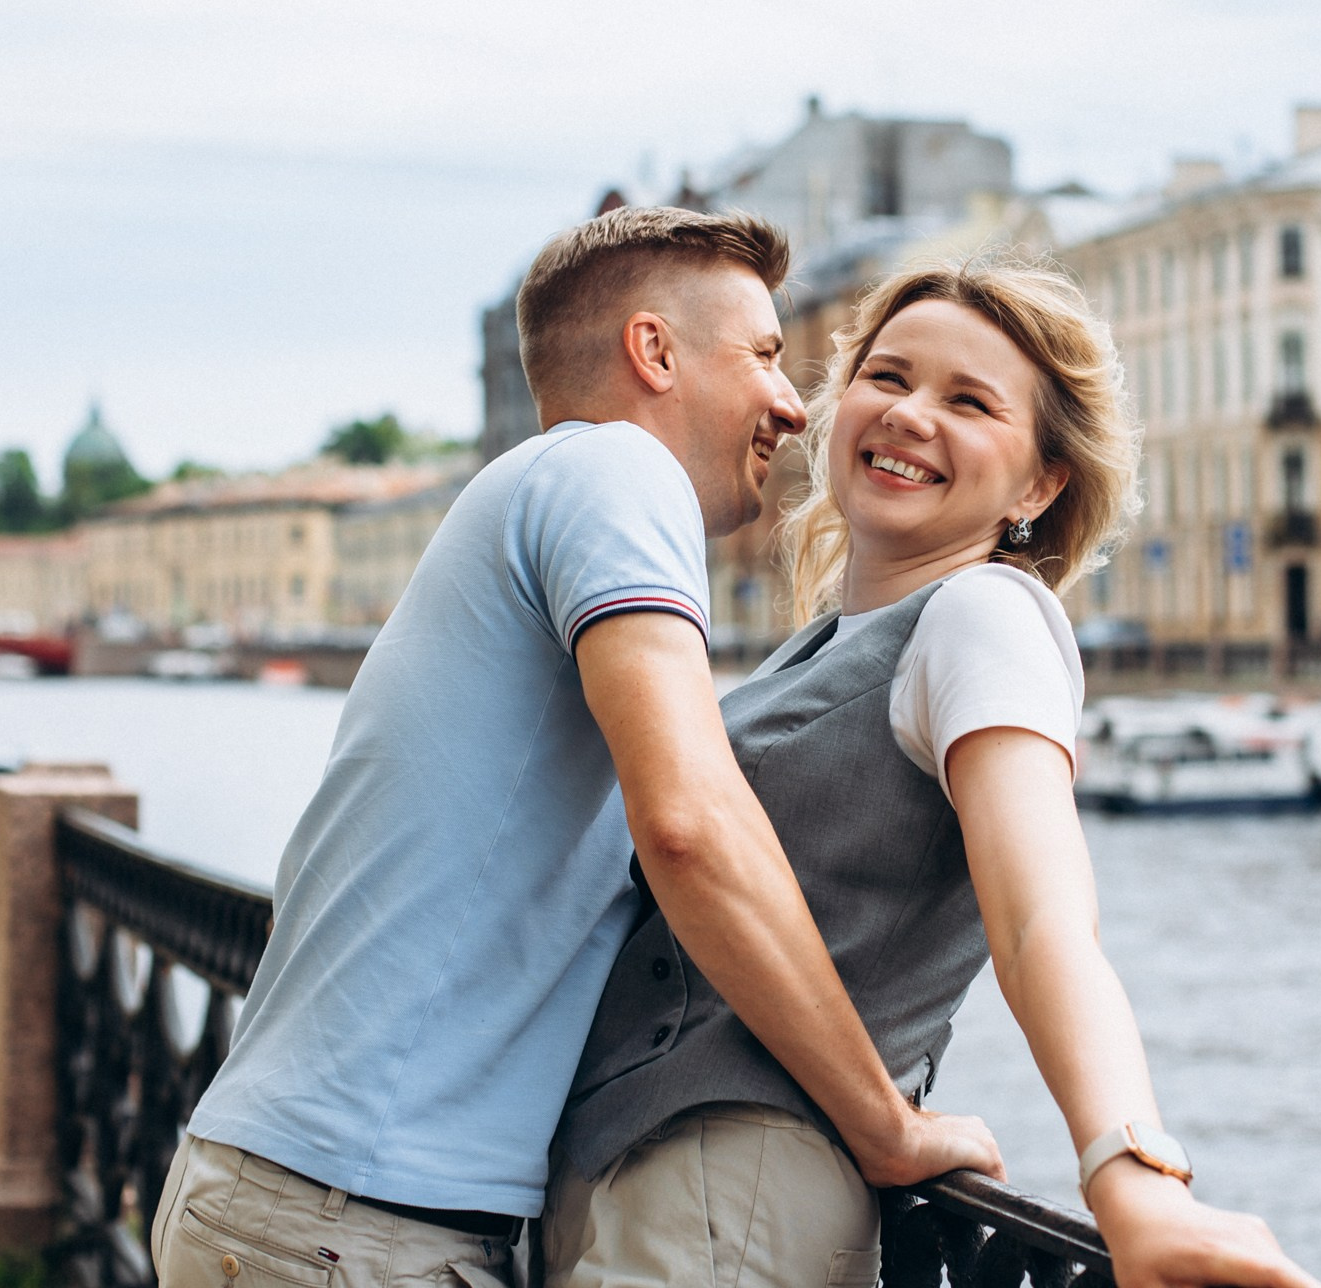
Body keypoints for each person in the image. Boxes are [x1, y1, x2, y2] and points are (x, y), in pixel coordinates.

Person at [151, 208, 999, 1288]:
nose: (791, 406)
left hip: (299, 1198)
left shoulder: (529, 493)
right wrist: (885, 1123)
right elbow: (690, 825)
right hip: (351, 1223)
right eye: (763, 355)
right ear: (654, 352)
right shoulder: (618, 473)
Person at [548, 256, 1321, 1288]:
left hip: (733, 1196)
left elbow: (1043, 923)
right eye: (888, 376)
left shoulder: (984, 616)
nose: (910, 414)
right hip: (634, 1181)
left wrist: (1134, 1176)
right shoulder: (818, 646)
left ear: (1041, 483)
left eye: (969, 402)